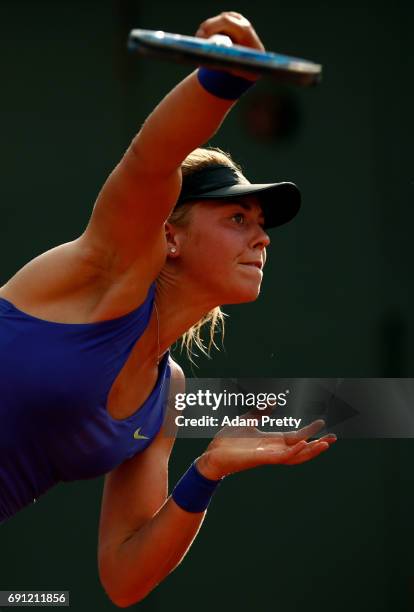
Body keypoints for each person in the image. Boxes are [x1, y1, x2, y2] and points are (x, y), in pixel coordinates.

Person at [0, 11, 336, 607]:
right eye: (238, 219)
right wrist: (223, 79)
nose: (262, 239)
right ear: (170, 236)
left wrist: (207, 473)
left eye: (260, 226)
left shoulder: (166, 396)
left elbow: (125, 577)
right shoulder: (108, 271)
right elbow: (150, 162)